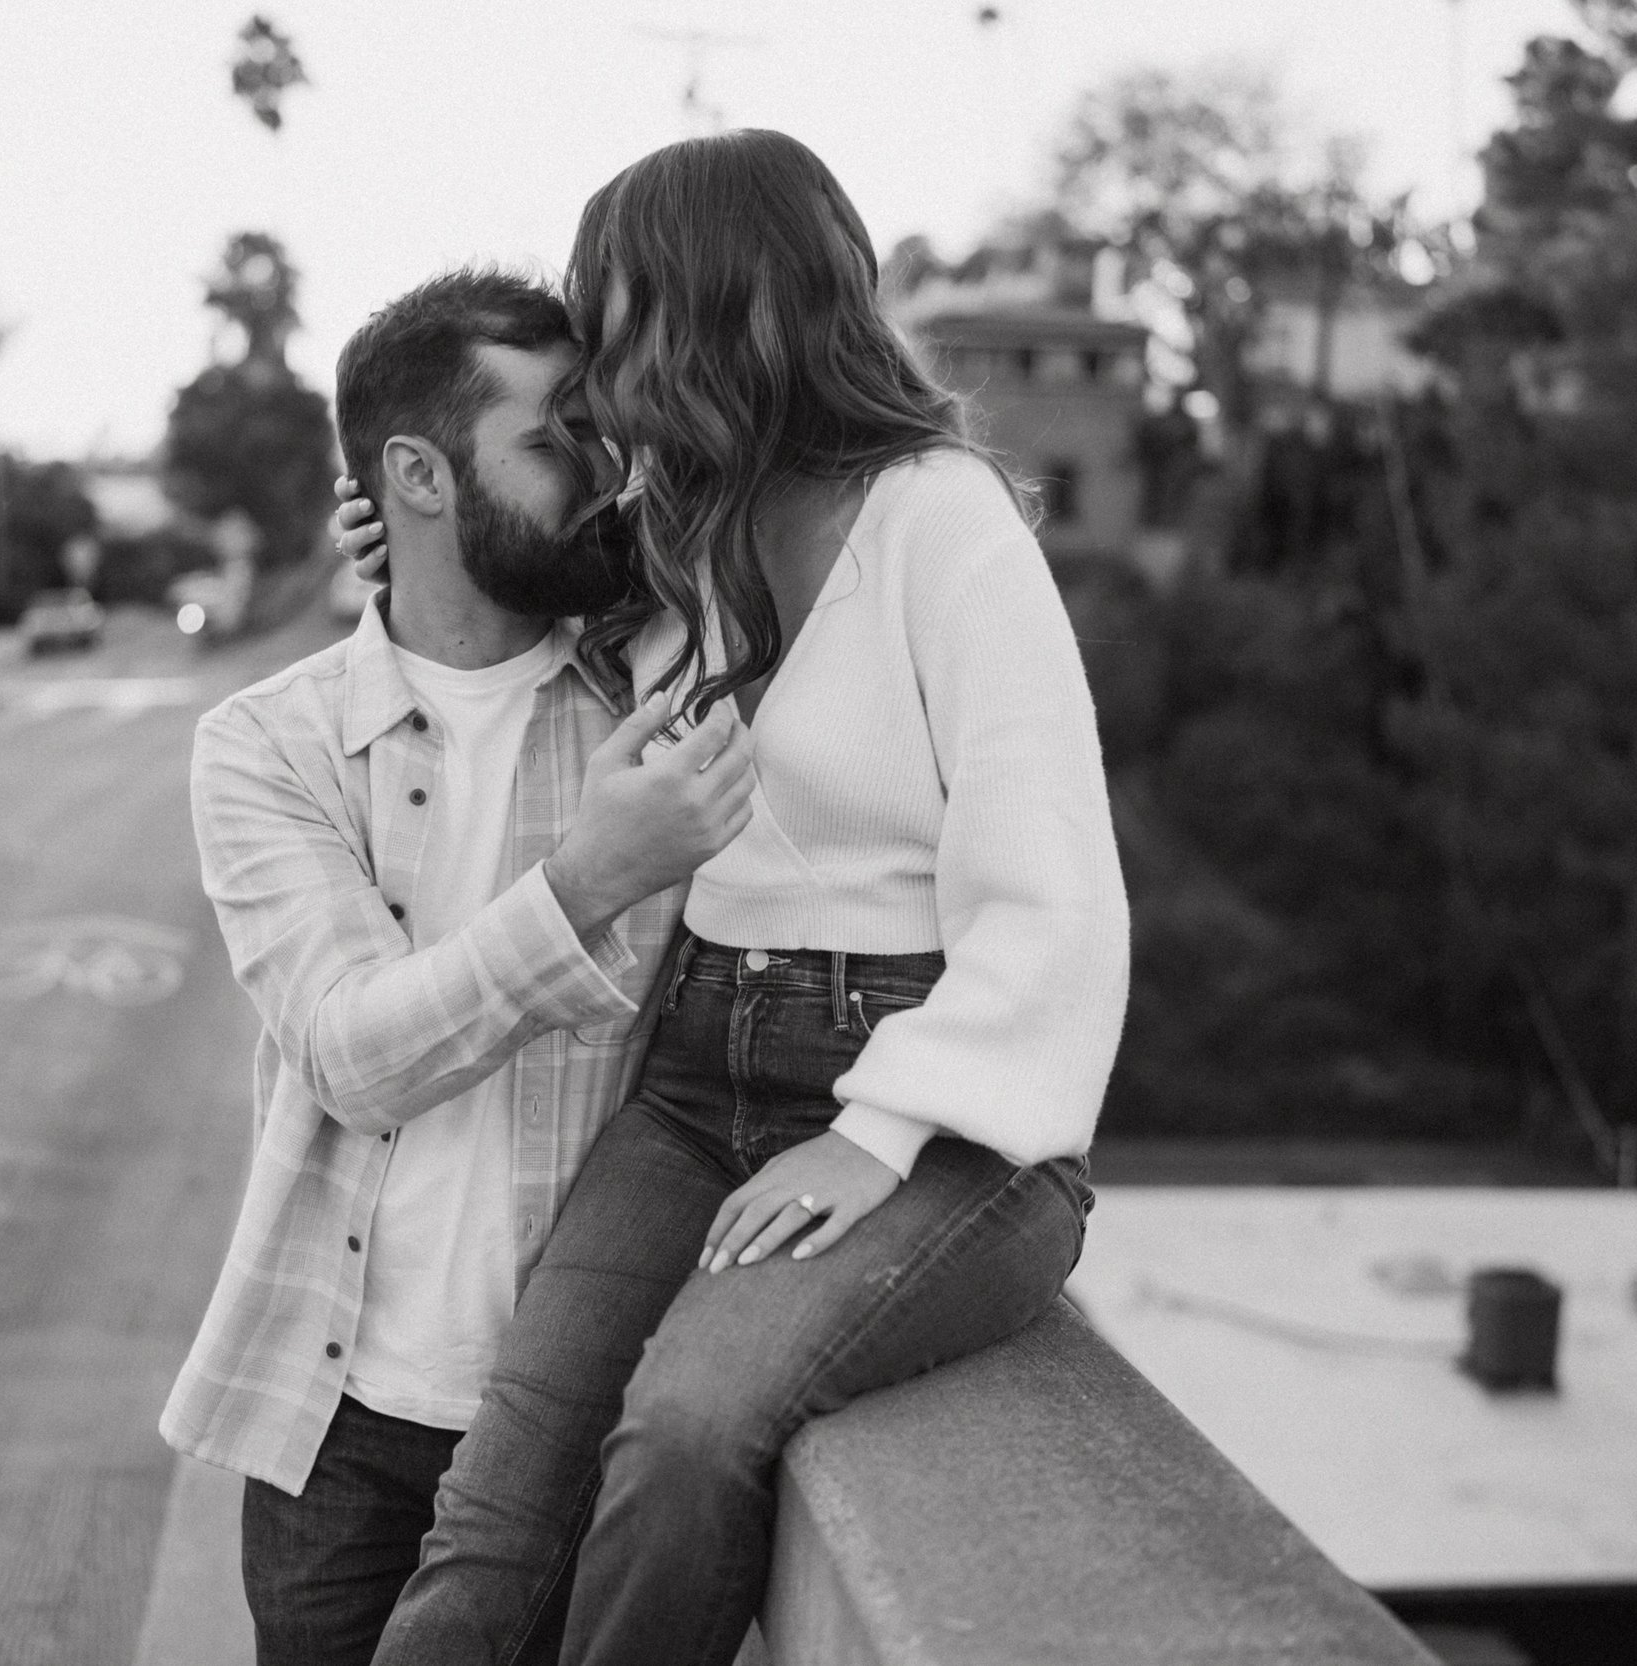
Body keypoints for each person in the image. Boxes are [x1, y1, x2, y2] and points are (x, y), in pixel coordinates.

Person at [339, 132, 1132, 1666]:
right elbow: (481, 583)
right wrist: (386, 544)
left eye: (617, 308)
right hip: (699, 1075)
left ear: (725, 313)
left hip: (947, 1117)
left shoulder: (941, 523)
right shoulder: (679, 536)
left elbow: (1056, 898)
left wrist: (878, 1130)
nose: (594, 356)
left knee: (686, 1437)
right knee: (500, 1507)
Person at [160, 268, 760, 1666]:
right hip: (333, 1432)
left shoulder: (657, 707)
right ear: (415, 476)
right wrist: (590, 880)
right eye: (557, 439)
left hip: (564, 1425)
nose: (602, 476)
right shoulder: (271, 745)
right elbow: (357, 1054)